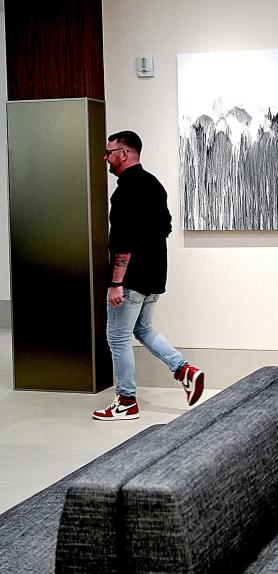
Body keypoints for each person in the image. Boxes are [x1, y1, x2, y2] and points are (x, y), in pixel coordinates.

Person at [93, 131, 204, 420]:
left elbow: (122, 242)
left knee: (117, 338)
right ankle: (184, 370)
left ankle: (127, 400)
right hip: (154, 275)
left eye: (109, 152)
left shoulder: (125, 191)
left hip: (130, 278)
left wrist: (117, 282)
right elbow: (165, 227)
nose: (106, 157)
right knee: (143, 330)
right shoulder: (154, 184)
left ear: (125, 153)